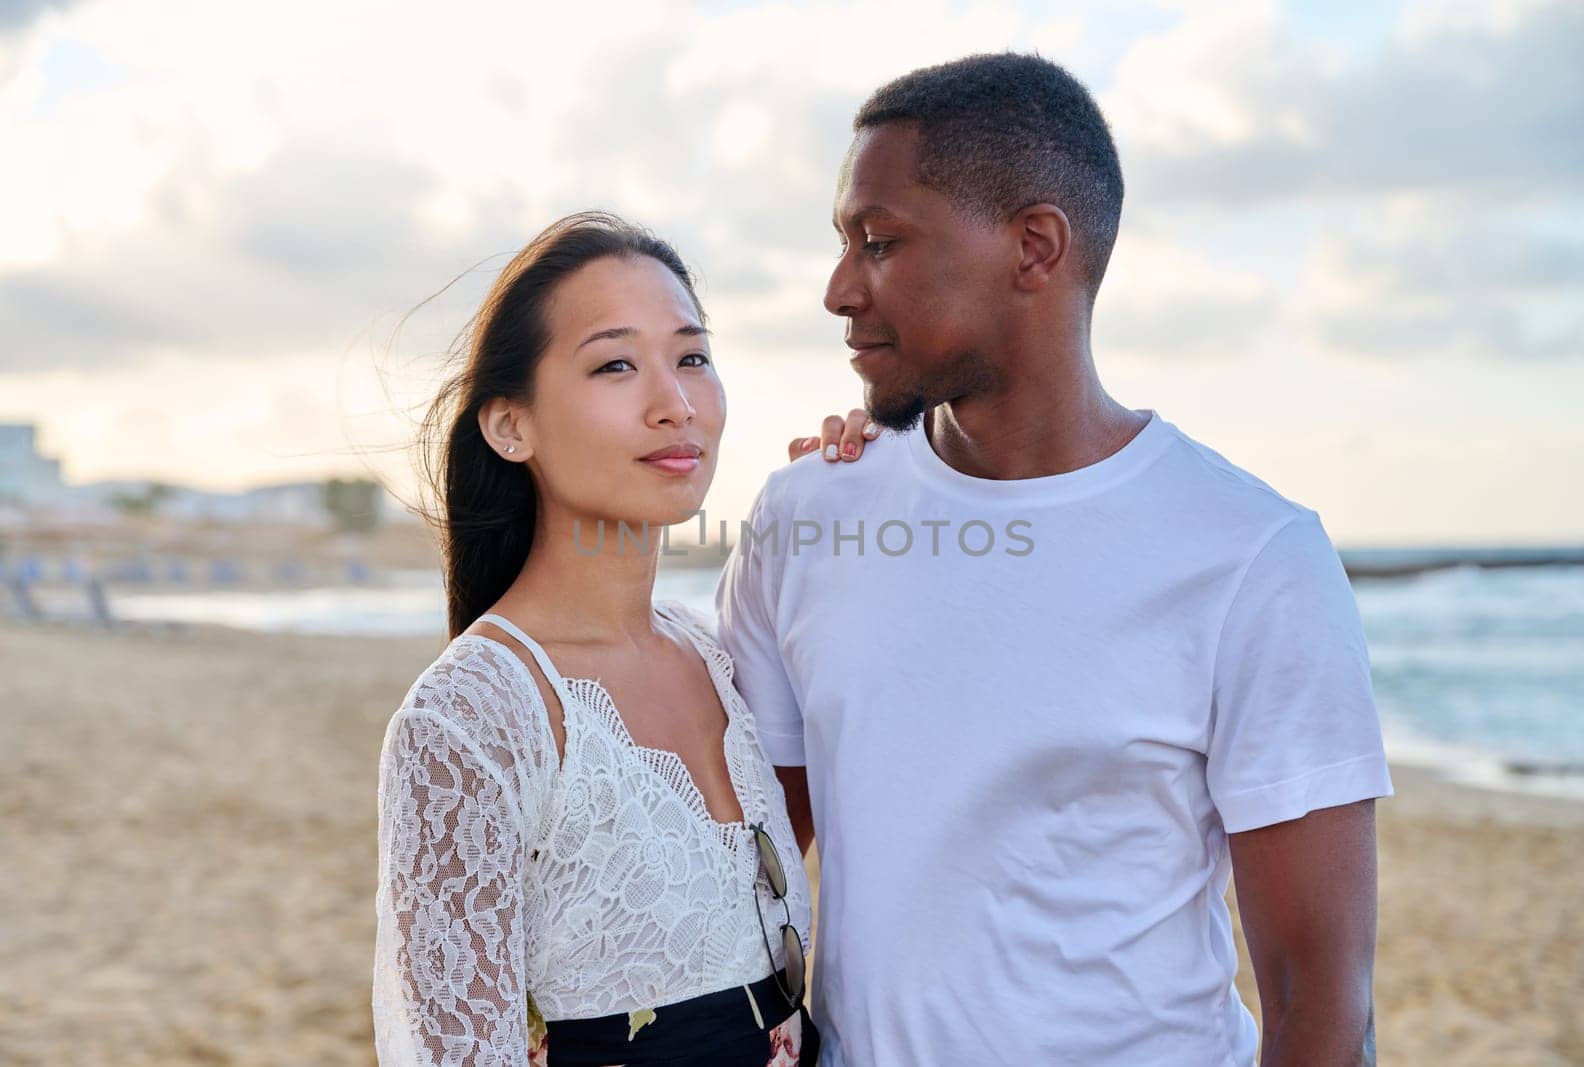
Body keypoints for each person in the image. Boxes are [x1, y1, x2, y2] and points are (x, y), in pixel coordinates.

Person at [717, 53, 1393, 1065]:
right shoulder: (806, 516)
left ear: (1034, 247)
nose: (838, 288)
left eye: (879, 240)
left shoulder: (1253, 556)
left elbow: (1320, 1004)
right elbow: (738, 880)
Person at [372, 212, 871, 1065]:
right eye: (614, 364)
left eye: (692, 358)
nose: (675, 405)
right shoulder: (471, 719)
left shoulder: (720, 657)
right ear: (510, 425)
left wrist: (857, 495)